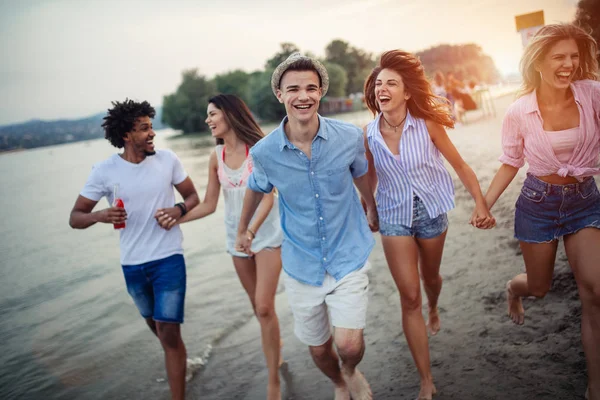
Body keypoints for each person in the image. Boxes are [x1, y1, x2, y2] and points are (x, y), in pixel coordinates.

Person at [236, 52, 379, 400]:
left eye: (311, 88)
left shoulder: (348, 137)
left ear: (321, 93)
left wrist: (371, 206)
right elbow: (255, 190)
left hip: (348, 253)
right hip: (301, 264)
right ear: (280, 95)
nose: (304, 96)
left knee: (348, 343)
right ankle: (337, 382)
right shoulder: (265, 152)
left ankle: (351, 370)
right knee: (318, 350)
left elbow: (362, 174)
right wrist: (243, 230)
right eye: (294, 89)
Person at [474, 24, 600, 400]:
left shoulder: (592, 95)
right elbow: (511, 161)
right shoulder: (518, 111)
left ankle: (595, 385)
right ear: (539, 62)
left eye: (574, 56)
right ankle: (515, 288)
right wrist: (484, 204)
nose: (569, 64)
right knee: (540, 287)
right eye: (559, 57)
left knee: (594, 290)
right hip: (538, 205)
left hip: (585, 203)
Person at [363, 50, 495, 400]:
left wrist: (481, 203)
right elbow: (370, 178)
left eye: (391, 82)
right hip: (393, 216)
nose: (383, 88)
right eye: (379, 83)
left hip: (432, 211)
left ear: (407, 92)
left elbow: (462, 167)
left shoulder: (427, 124)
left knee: (430, 278)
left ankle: (434, 304)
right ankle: (426, 379)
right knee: (409, 298)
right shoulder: (369, 134)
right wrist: (370, 209)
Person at [156, 94, 284, 400]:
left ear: (229, 114)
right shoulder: (217, 156)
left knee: (264, 305)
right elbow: (210, 204)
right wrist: (175, 219)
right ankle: (275, 353)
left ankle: (273, 381)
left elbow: (270, 195)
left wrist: (250, 231)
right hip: (235, 240)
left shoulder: (260, 149)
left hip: (266, 236)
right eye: (207, 115)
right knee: (258, 308)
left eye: (212, 114)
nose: (207, 120)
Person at [68, 99, 199, 400]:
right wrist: (101, 215)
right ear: (126, 135)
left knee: (168, 332)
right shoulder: (103, 171)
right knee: (161, 332)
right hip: (133, 266)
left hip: (168, 258)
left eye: (151, 127)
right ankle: (181, 361)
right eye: (144, 129)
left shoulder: (167, 160)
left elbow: (192, 196)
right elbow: (75, 218)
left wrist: (178, 209)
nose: (152, 133)